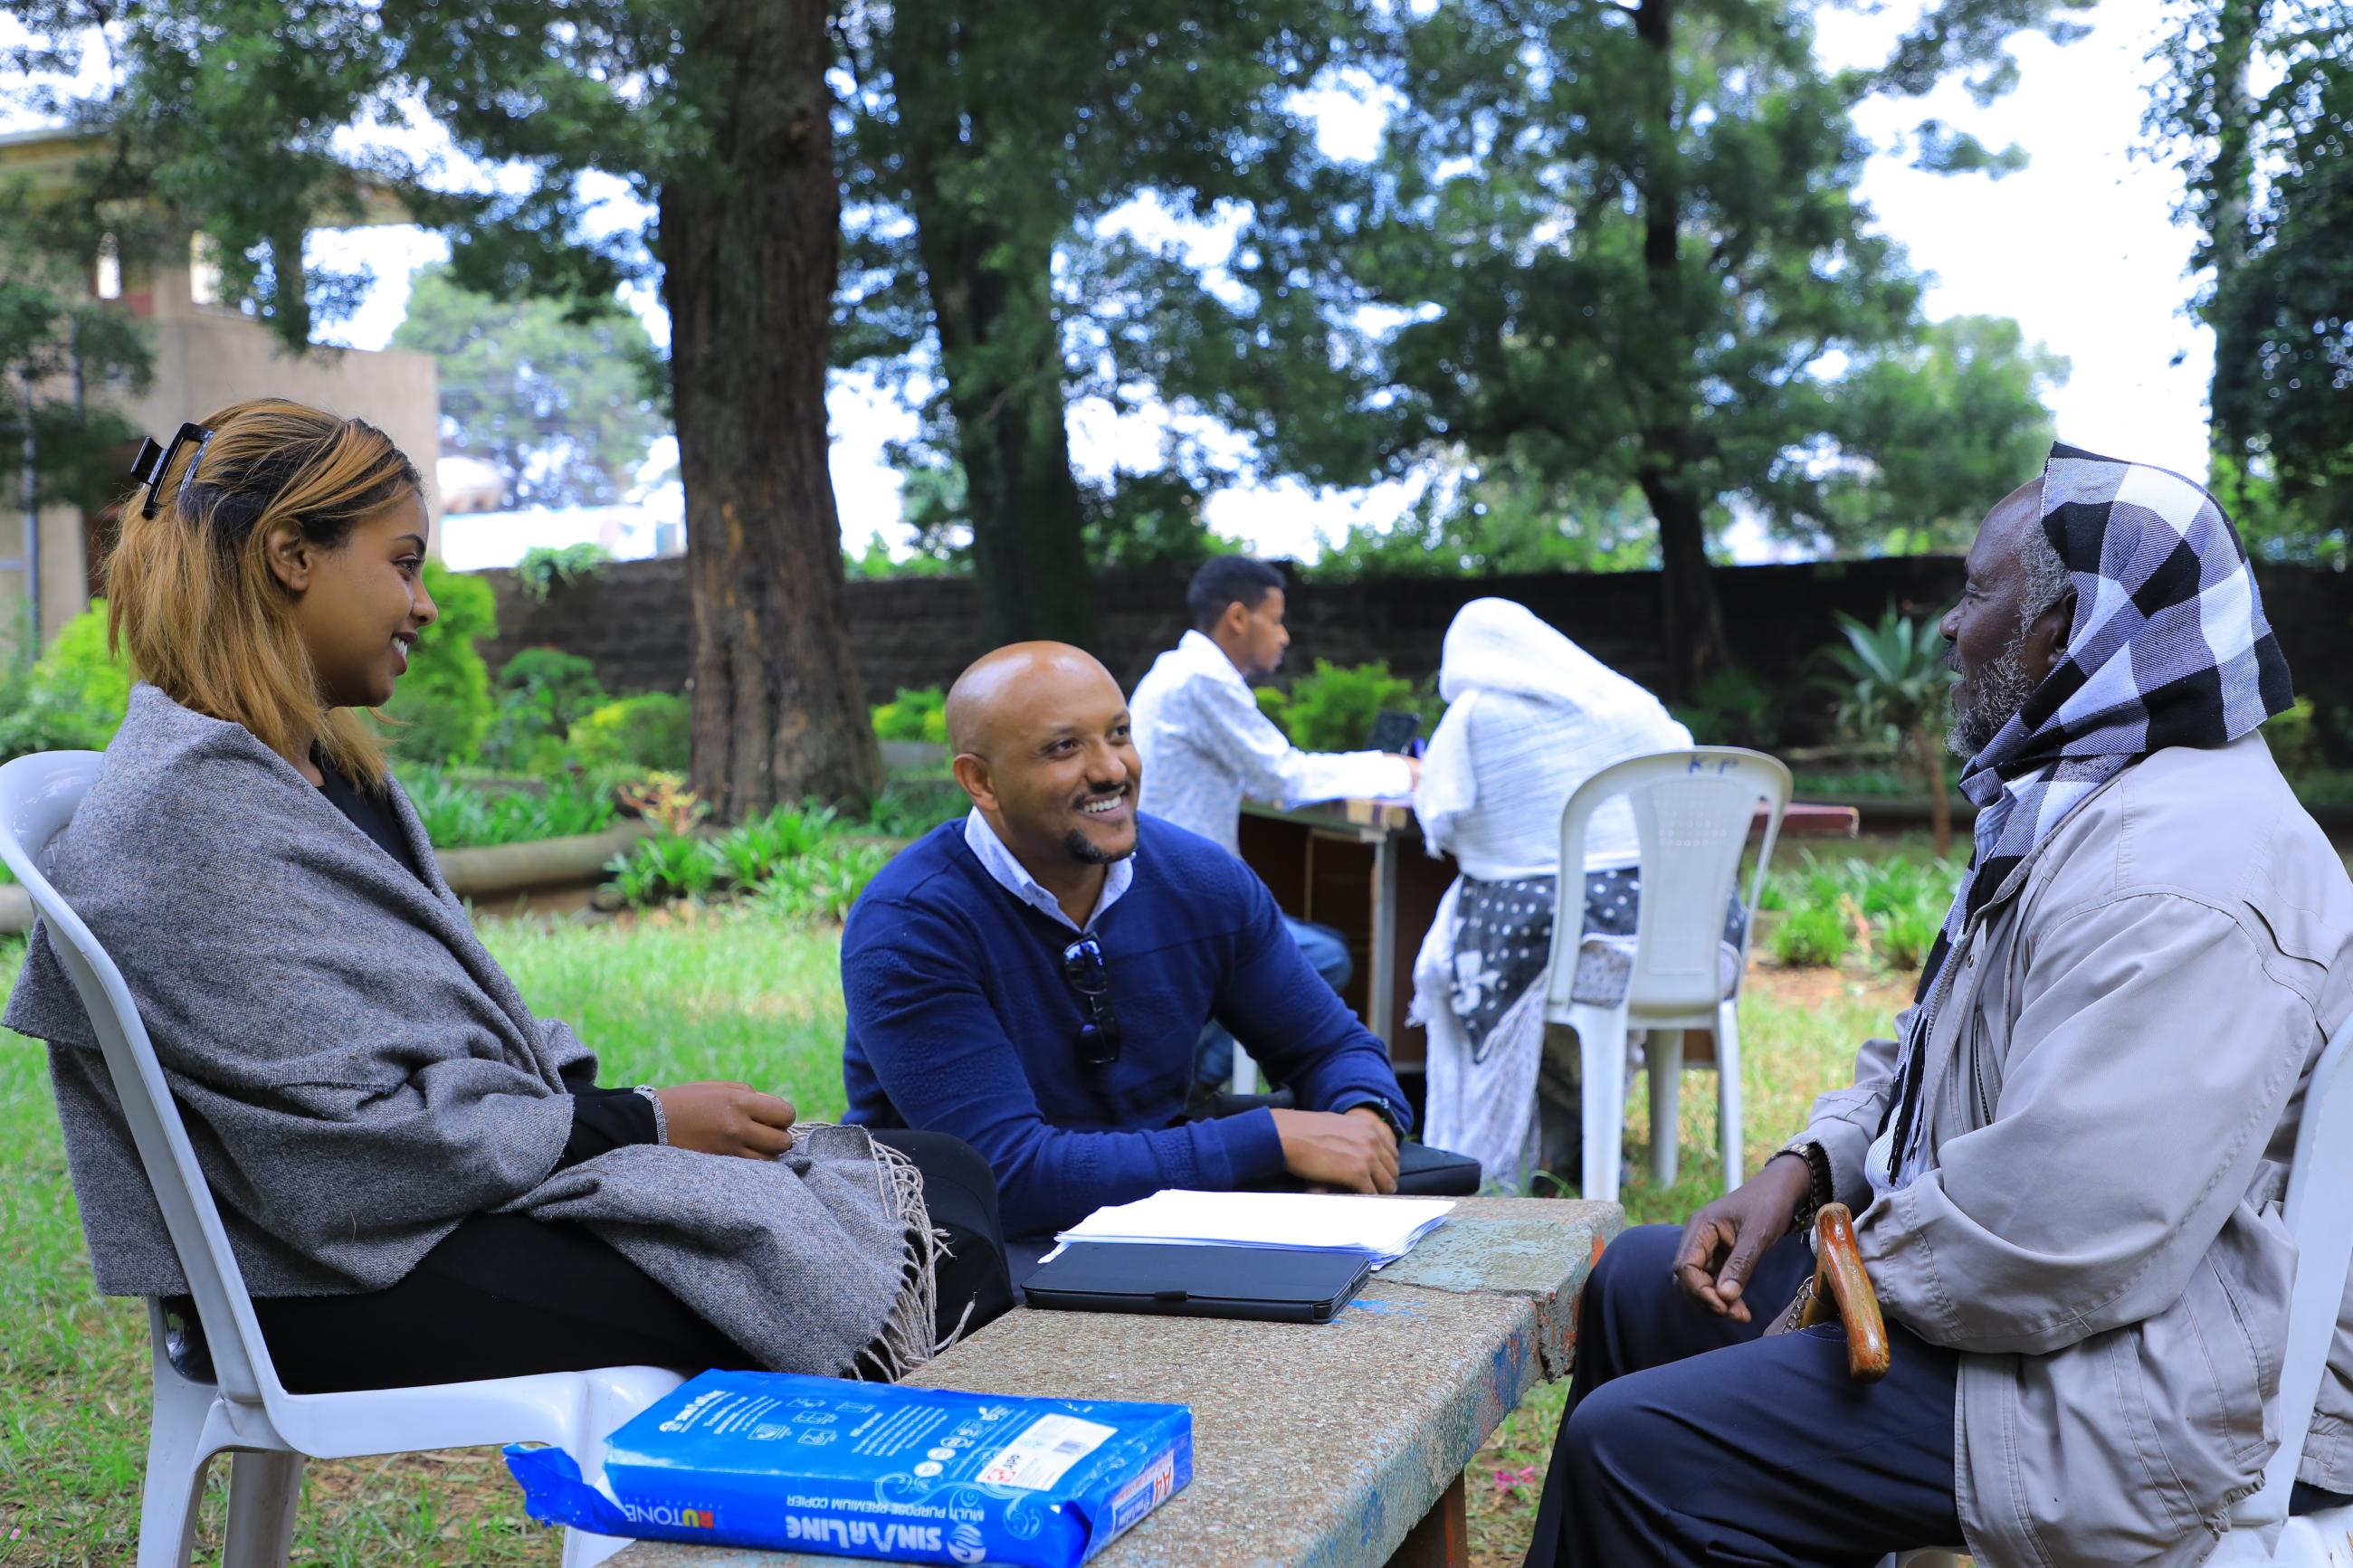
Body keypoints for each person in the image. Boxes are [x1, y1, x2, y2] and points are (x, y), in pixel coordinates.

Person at [4, 398, 1010, 1395]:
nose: (425, 605)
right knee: (932, 1250)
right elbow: (353, 1157)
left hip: (434, 1214)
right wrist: (640, 1125)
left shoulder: (305, 773)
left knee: (939, 1169)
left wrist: (618, 1118)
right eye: (403, 563)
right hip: (330, 1279)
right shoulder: (184, 816)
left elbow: (415, 1050)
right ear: (290, 555)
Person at [1525, 443, 2353, 1568]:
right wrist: (1807, 1165)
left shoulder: (2186, 867)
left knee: (1637, 1451)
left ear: (2066, 633)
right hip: (2033, 1319)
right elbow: (1931, 1049)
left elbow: (2062, 1223)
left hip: (2144, 1383)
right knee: (1634, 1282)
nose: (1948, 629)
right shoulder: (2088, 800)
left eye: (1974, 594)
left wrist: (1832, 1275)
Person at [841, 641, 1470, 1264]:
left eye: (1119, 734)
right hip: (967, 1248)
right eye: (1065, 747)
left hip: (1171, 1209)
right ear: (981, 780)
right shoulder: (910, 925)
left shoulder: (1201, 880)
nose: (1112, 769)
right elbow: (1005, 1174)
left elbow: (1334, 1047)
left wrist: (1362, 1125)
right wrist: (1269, 1137)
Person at [1407, 597, 1736, 1184]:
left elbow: (1445, 818)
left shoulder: (1475, 717)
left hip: (1584, 954)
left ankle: (1497, 1149)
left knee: (1466, 933)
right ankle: (1583, 1141)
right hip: (1695, 939)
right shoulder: (1628, 703)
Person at [1129, 556, 1419, 1090]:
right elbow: (1284, 779)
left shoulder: (1180, 672)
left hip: (1170, 885)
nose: (1284, 636)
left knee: (1317, 942)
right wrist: (1394, 769)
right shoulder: (1202, 679)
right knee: (1326, 956)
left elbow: (1269, 774)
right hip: (1179, 898)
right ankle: (1182, 1086)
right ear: (1238, 618)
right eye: (1277, 619)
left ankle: (1184, 1079)